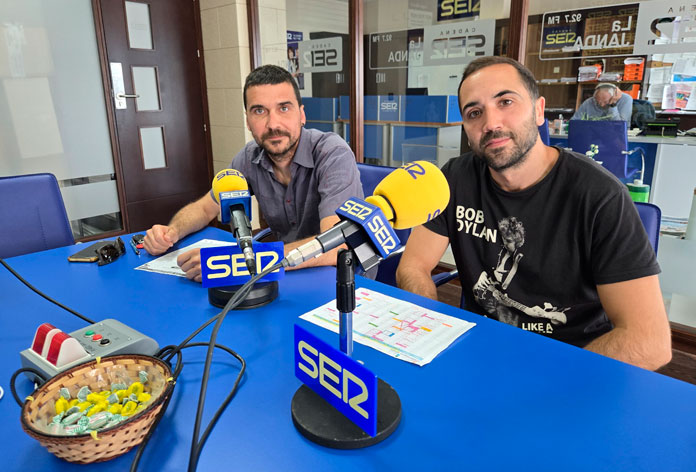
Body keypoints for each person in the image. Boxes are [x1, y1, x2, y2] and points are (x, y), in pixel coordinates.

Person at [396, 56, 671, 371]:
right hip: (480, 355)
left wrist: (549, 384)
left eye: (506, 102)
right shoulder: (455, 178)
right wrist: (431, 333)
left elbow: (649, 341)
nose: (491, 123)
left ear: (539, 110)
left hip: (573, 364)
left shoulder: (600, 196)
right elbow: (413, 266)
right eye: (474, 113)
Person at [143, 65, 363, 281]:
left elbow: (336, 246)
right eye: (259, 111)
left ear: (302, 114)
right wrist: (171, 233)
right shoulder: (248, 158)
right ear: (248, 121)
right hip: (284, 270)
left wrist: (235, 263)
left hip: (345, 279)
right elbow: (204, 208)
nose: (273, 124)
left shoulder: (332, 153)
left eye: (284, 108)